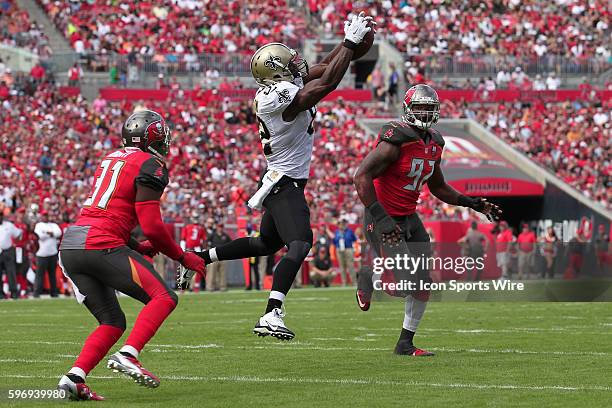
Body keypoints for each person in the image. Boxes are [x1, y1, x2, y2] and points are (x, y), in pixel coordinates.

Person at [178, 11, 375, 341]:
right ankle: (272, 313)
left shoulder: (280, 86)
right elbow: (325, 84)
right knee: (300, 244)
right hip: (284, 183)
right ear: (277, 71)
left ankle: (199, 258)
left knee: (266, 243)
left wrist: (348, 46)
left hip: (278, 180)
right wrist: (349, 44)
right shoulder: (276, 97)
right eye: (290, 63)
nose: (298, 66)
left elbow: (323, 69)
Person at [57, 110, 205, 400]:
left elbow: (109, 210)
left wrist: (136, 247)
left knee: (112, 320)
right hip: (101, 243)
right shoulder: (151, 164)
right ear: (154, 138)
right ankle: (129, 354)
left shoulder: (111, 158)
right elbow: (151, 225)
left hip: (73, 245)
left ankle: (74, 377)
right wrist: (182, 256)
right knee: (164, 298)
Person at [353, 84, 501, 356]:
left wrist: (471, 202)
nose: (424, 112)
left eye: (429, 108)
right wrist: (381, 218)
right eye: (419, 107)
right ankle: (368, 275)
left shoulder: (434, 142)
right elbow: (361, 176)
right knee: (402, 286)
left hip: (409, 217)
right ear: (408, 109)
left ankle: (405, 343)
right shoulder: (394, 139)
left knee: (423, 284)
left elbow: (438, 186)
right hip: (383, 217)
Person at [33, 211, 62, 298]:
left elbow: (59, 233)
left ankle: (54, 292)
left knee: (52, 274)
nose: (45, 217)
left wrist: (49, 233)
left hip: (52, 253)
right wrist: (51, 234)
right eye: (44, 215)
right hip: (42, 253)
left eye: (46, 215)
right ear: (41, 216)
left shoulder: (53, 225)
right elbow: (40, 236)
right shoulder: (39, 225)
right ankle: (37, 292)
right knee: (39, 274)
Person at [0, 212, 22, 299]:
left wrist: (16, 243)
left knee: (11, 272)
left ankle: (13, 292)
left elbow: (18, 234)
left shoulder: (9, 225)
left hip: (8, 251)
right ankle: (0, 293)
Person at [206, 224, 231, 291]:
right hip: (214, 256)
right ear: (217, 228)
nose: (220, 228)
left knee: (223, 272)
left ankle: (223, 287)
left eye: (221, 227)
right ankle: (210, 287)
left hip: (223, 256)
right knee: (212, 272)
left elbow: (231, 243)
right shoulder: (213, 235)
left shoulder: (225, 235)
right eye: (219, 227)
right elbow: (206, 242)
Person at [333, 219, 357, 285]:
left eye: (342, 224)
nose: (341, 225)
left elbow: (354, 239)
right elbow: (334, 241)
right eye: (340, 224)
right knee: (342, 266)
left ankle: (354, 282)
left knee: (351, 266)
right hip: (339, 250)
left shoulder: (349, 231)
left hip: (348, 249)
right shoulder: (337, 232)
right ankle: (344, 282)